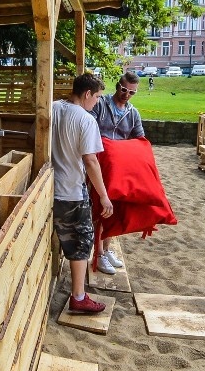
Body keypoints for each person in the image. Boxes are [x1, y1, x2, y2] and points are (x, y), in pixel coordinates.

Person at [52, 73, 114, 313]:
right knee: (81, 242)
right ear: (87, 93)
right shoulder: (86, 120)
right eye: (97, 97)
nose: (97, 102)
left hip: (51, 186)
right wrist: (103, 195)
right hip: (71, 191)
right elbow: (90, 160)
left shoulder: (53, 107)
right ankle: (78, 296)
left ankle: (78, 293)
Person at [90, 71, 145, 275]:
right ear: (117, 86)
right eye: (123, 89)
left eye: (132, 92)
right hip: (98, 165)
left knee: (115, 208)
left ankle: (106, 248)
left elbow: (140, 140)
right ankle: (98, 253)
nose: (126, 94)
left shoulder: (133, 113)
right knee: (100, 209)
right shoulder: (100, 104)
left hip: (119, 168)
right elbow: (89, 128)